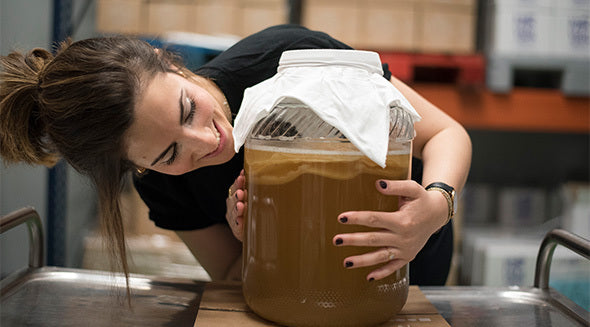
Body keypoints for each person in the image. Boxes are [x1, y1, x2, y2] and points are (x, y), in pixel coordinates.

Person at [0, 24, 471, 287]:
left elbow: (445, 133)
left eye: (188, 109)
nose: (207, 143)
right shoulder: (161, 185)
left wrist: (437, 203)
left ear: (172, 62)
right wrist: (254, 244)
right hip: (307, 299)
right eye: (170, 154)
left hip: (414, 277)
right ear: (141, 167)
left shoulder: (283, 61)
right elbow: (228, 273)